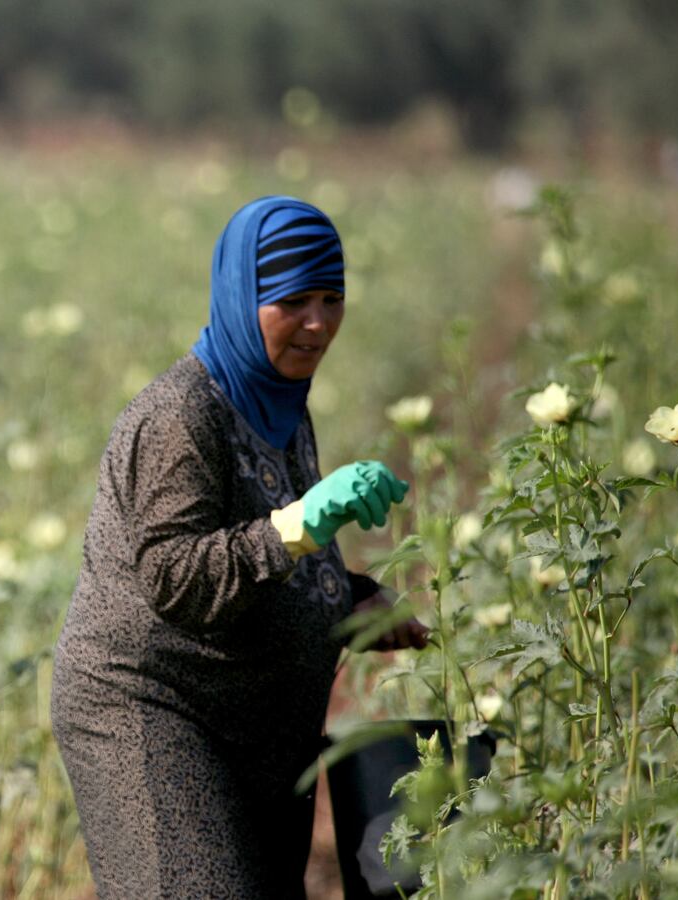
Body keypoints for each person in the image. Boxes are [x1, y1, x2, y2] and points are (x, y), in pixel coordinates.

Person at [49, 195, 430, 898]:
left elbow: (266, 553)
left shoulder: (282, 405)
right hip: (158, 711)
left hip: (255, 727)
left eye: (331, 298)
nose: (317, 323)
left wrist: (353, 597)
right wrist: (304, 522)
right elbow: (175, 576)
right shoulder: (177, 418)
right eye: (293, 301)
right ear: (243, 297)